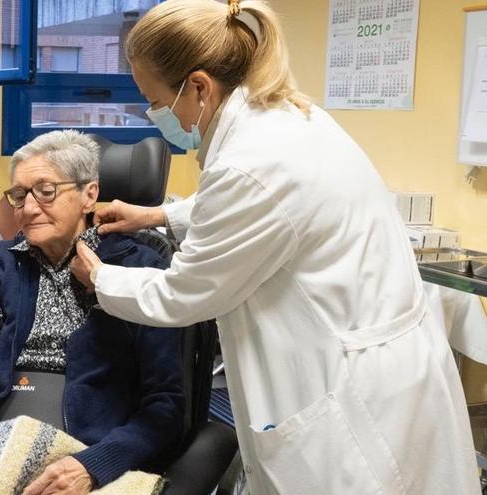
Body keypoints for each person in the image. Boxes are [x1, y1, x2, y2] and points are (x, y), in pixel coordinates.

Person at [69, 1, 480, 493]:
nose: (155, 114)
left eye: (155, 100)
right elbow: (268, 209)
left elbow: (186, 292)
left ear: (199, 86)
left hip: (353, 394)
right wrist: (159, 215)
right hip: (379, 359)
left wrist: (100, 278)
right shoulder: (285, 118)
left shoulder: (251, 161)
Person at [0, 130, 185, 495]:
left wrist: (94, 465)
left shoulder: (139, 271)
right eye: (19, 195)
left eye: (46, 191)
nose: (28, 207)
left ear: (89, 194)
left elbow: (165, 406)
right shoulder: (3, 261)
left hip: (87, 447)